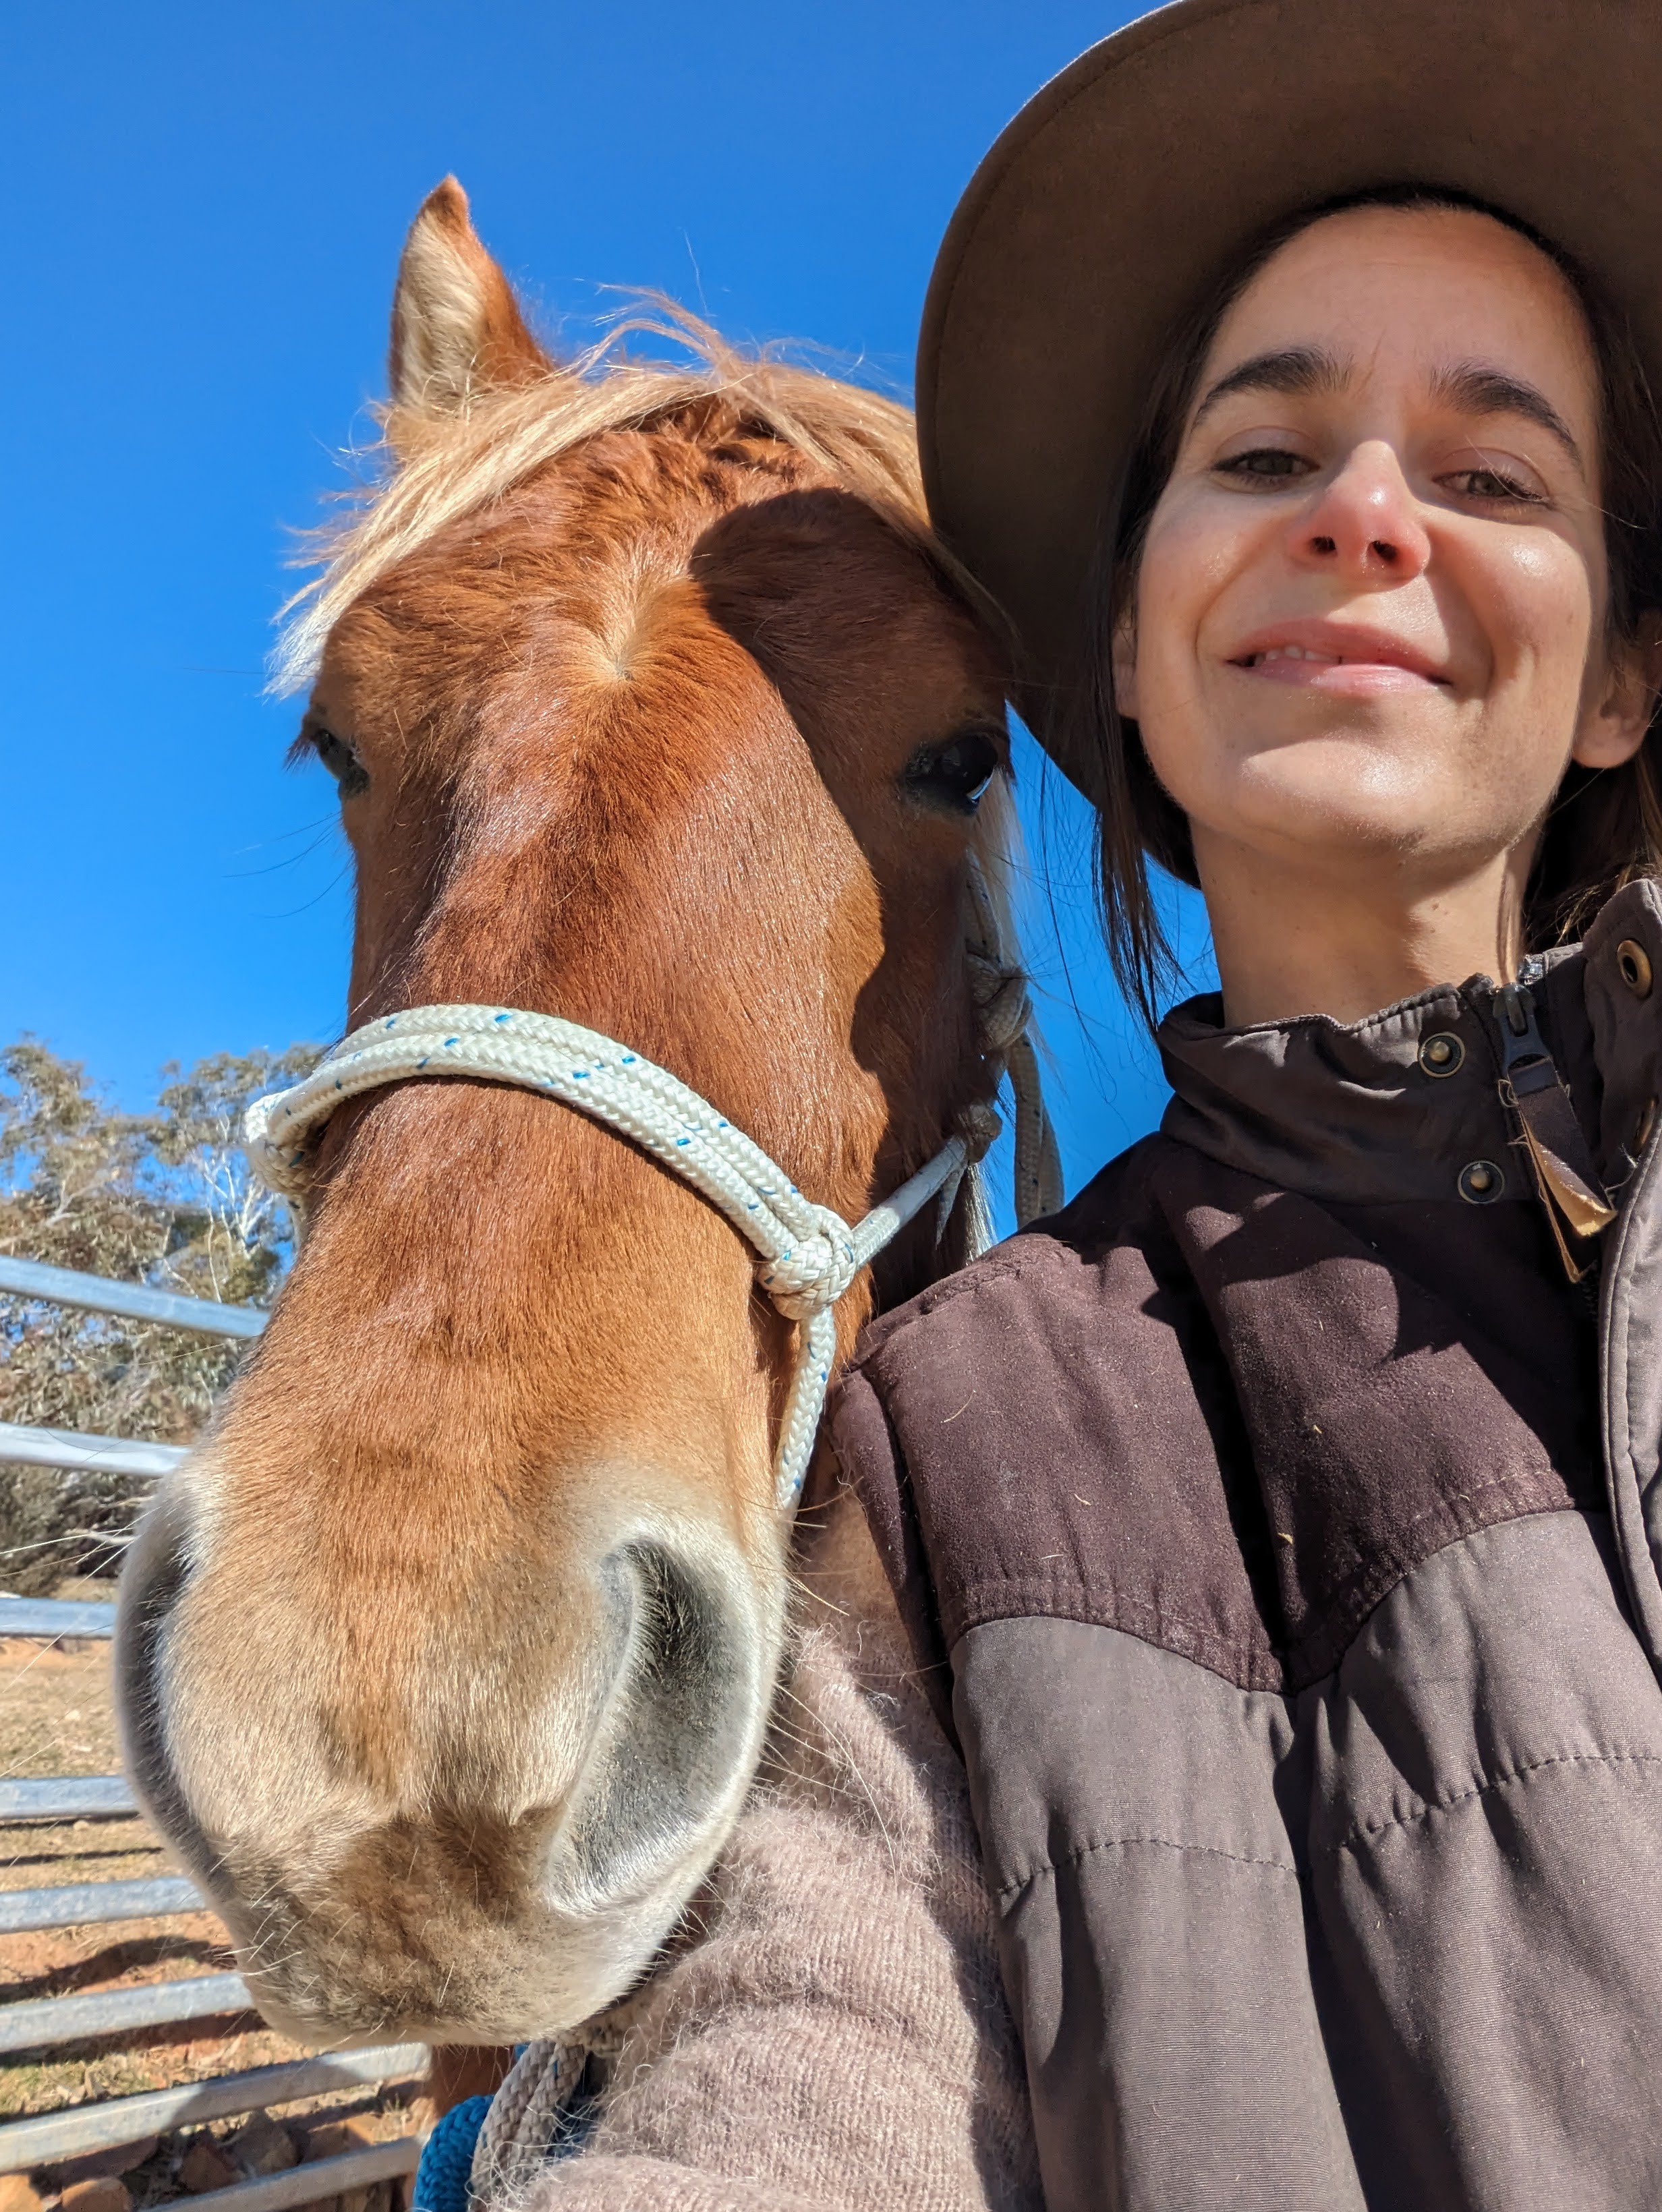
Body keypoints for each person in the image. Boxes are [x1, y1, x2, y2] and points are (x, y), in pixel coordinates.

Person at [492, 2, 1662, 2206]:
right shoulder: (956, 1448)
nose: (1370, 516)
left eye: (1494, 475)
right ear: (1122, 645)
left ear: (1620, 676)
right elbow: (819, 2051)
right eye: (1262, 454)